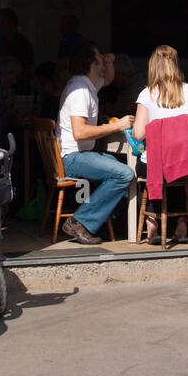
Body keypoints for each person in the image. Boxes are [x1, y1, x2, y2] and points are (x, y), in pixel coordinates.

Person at [57, 41, 134, 245]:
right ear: (91, 62)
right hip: (74, 157)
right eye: (99, 56)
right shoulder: (81, 91)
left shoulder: (87, 84)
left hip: (79, 155)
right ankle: (79, 221)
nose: (103, 58)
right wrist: (117, 126)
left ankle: (110, 222)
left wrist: (109, 62)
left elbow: (108, 79)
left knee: (125, 168)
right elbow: (80, 132)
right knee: (124, 173)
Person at [133, 46, 188, 245]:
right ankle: (182, 222)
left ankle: (152, 221)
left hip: (157, 167)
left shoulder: (147, 94)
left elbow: (138, 134)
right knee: (178, 170)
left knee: (147, 166)